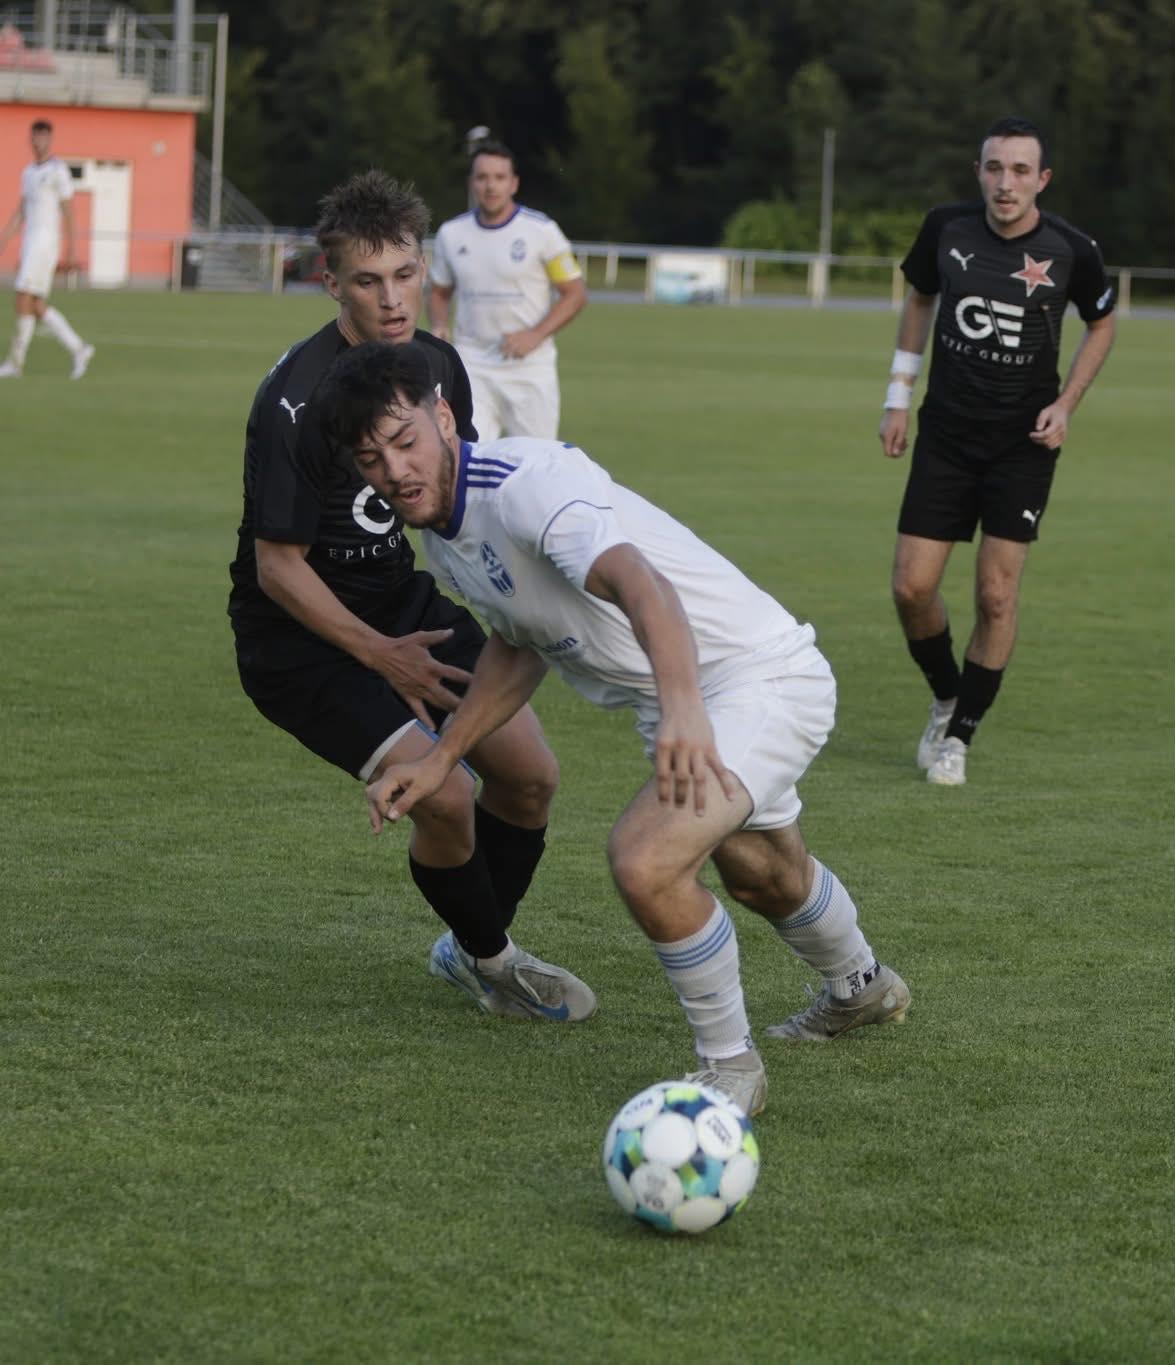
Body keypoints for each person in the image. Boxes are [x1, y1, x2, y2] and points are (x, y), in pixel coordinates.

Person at [334, 343, 911, 1117]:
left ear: (443, 417)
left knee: (645, 859)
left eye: (405, 440)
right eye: (372, 459)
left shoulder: (526, 487)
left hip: (758, 679)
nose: (396, 470)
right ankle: (863, 987)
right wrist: (442, 760)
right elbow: (520, 639)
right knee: (760, 873)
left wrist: (681, 710)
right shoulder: (442, 535)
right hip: (693, 694)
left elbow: (644, 586)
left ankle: (730, 1067)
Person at [228, 170, 591, 1024]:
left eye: (403, 274)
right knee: (448, 792)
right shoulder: (292, 403)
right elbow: (278, 567)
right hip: (296, 636)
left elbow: (456, 506)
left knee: (531, 778)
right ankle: (497, 963)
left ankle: (469, 943)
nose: (392, 299)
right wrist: (381, 656)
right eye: (366, 279)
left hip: (400, 602)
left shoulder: (437, 368)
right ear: (330, 281)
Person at [879, 116, 1118, 787]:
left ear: (1042, 179)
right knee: (911, 586)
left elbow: (1102, 323)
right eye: (993, 167)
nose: (1004, 182)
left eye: (1019, 170)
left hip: (1022, 445)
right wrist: (897, 396)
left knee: (995, 596)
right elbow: (921, 297)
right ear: (979, 171)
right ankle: (948, 690)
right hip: (947, 434)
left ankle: (959, 735)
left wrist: (1066, 404)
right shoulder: (945, 228)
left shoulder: (1071, 248)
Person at [427, 141, 587, 441]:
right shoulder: (451, 234)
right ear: (471, 183)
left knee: (534, 465)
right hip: (472, 364)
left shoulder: (541, 231)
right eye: (482, 177)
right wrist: (438, 324)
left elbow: (574, 292)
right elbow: (438, 291)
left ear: (513, 184)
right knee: (469, 457)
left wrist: (535, 335)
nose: (491, 186)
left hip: (528, 369)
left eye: (499, 178)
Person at [0, 119, 94, 379]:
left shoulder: (58, 171)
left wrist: (71, 249)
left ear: (50, 139)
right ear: (30, 139)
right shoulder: (28, 173)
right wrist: (2, 244)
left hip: (45, 243)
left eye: (44, 136)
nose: (39, 141)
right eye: (35, 136)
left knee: (23, 298)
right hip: (29, 242)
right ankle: (78, 348)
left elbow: (68, 211)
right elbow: (21, 211)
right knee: (34, 304)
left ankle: (15, 364)